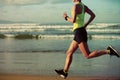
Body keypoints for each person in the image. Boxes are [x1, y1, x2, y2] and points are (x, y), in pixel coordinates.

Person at [55, 0, 119, 79]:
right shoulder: (83, 6)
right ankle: (65, 72)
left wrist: (66, 17)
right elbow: (93, 15)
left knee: (87, 55)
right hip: (79, 32)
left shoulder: (75, 6)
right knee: (69, 52)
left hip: (79, 33)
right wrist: (86, 24)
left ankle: (109, 51)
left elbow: (73, 20)